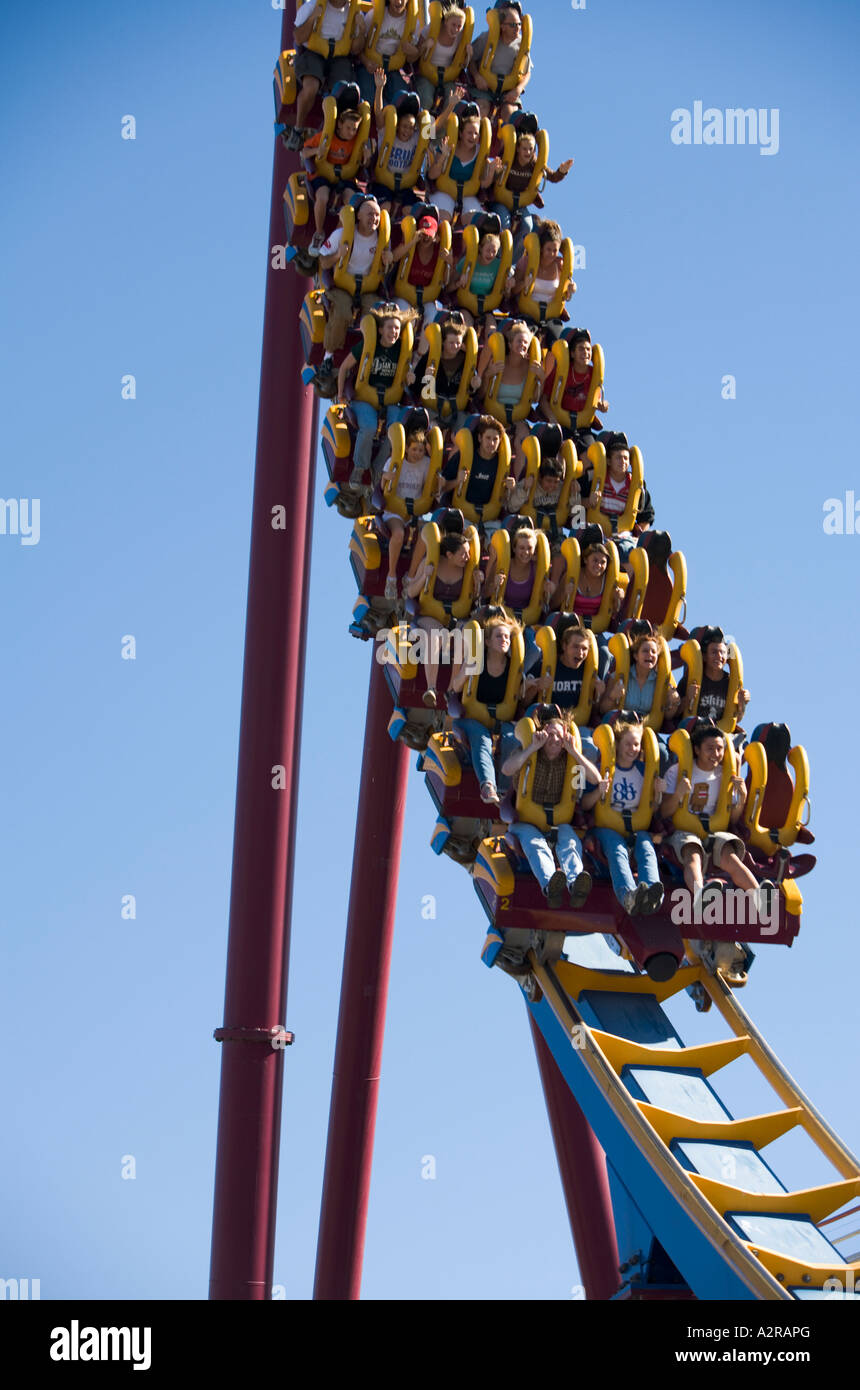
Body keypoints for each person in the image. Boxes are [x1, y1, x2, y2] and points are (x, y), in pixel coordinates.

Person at [660, 723, 776, 983]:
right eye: (710, 748)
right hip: (684, 831)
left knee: (731, 857)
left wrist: (741, 798)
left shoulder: (726, 775)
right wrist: (679, 794)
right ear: (697, 750)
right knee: (693, 855)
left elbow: (732, 818)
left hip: (714, 832)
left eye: (721, 749)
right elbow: (664, 813)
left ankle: (759, 897)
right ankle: (700, 895)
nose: (716, 754)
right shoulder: (678, 772)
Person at [501, 706, 606, 908]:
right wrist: (531, 748)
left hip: (558, 821)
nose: (554, 740)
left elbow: (596, 778)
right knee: (536, 845)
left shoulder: (570, 762)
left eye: (558, 736)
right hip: (527, 821)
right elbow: (507, 769)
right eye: (549, 735)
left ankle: (576, 884)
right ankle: (551, 885)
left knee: (570, 843)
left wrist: (574, 751)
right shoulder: (528, 752)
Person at [312, 196, 393, 393]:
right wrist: (338, 255)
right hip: (342, 287)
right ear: (357, 216)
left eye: (376, 215)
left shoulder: (382, 239)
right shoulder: (342, 234)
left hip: (368, 289)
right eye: (369, 214)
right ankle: (328, 358)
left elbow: (387, 267)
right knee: (342, 312)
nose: (374, 218)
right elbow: (323, 262)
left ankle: (368, 360)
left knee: (376, 318)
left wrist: (389, 259)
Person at [336, 303, 418, 487]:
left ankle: (379, 469)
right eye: (390, 328)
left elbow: (406, 377)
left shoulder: (402, 350)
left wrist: (409, 377)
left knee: (395, 431)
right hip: (365, 399)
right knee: (369, 428)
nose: (394, 332)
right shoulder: (368, 345)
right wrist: (341, 394)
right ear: (380, 330)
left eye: (397, 328)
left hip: (390, 400)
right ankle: (360, 467)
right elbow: (343, 368)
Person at [594, 719, 665, 915]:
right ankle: (628, 896)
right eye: (628, 744)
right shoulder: (605, 767)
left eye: (636, 744)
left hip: (635, 826)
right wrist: (599, 790)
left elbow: (654, 806)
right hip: (607, 827)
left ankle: (652, 893)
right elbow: (584, 805)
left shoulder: (643, 771)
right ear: (617, 744)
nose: (633, 749)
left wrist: (658, 793)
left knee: (646, 847)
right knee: (618, 851)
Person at [450, 613, 521, 805]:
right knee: (482, 740)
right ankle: (488, 785)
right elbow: (455, 687)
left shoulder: (512, 666)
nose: (504, 640)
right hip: (473, 719)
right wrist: (466, 671)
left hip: (500, 720)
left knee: (513, 738)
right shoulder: (477, 657)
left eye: (507, 637)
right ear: (488, 642)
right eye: (499, 636)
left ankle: (505, 790)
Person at [406, 531, 479, 702]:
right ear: (449, 555)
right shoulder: (430, 562)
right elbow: (410, 592)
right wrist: (425, 575)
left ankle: (452, 689)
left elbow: (474, 600)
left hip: (456, 619)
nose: (468, 557)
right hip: (430, 617)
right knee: (435, 636)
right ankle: (431, 688)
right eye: (463, 554)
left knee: (467, 636)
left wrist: (478, 584)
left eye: (468, 552)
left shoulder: (467, 570)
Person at [301, 93, 372, 254]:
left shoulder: (357, 142)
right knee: (323, 196)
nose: (351, 132)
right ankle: (319, 233)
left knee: (351, 202)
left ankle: (337, 236)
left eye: (354, 129)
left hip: (345, 177)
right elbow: (303, 152)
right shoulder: (327, 136)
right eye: (348, 128)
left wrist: (367, 157)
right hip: (323, 176)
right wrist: (315, 151)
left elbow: (364, 165)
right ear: (339, 124)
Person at [290, 0, 366, 148]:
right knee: (311, 87)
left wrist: (362, 31)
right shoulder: (312, 6)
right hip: (313, 52)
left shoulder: (354, 11)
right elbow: (298, 38)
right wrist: (313, 17)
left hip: (339, 57)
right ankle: (298, 130)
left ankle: (336, 138)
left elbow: (356, 49)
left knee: (344, 92)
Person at [491, 121, 573, 255]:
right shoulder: (509, 158)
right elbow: (494, 175)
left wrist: (562, 171)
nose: (528, 152)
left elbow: (551, 176)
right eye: (524, 149)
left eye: (531, 149)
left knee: (527, 225)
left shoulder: (534, 163)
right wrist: (495, 171)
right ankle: (499, 255)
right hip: (502, 201)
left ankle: (512, 260)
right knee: (503, 223)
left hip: (520, 203)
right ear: (518, 148)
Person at [480, 319, 545, 476]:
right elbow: (482, 395)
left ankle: (515, 482)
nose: (523, 345)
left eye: (526, 342)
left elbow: (535, 399)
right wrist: (487, 375)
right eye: (519, 341)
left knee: (523, 438)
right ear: (509, 344)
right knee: (496, 439)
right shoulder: (498, 362)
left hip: (517, 417)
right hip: (494, 415)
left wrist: (541, 379)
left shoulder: (530, 367)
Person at [380, 420, 433, 599]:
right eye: (414, 450)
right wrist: (386, 477)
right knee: (399, 534)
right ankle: (392, 576)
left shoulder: (426, 463)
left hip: (414, 512)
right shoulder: (395, 461)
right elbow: (382, 485)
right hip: (395, 511)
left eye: (420, 450)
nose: (417, 454)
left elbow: (431, 487)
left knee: (426, 534)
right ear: (407, 449)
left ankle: (410, 577)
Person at [581, 432, 654, 561]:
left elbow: (647, 515)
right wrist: (588, 502)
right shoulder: (594, 477)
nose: (623, 462)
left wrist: (640, 533)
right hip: (597, 532)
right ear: (608, 461)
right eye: (619, 458)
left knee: (631, 553)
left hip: (623, 535)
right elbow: (574, 503)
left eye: (626, 458)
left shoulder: (636, 485)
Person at [427, 104, 502, 223]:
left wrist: (492, 171)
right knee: (444, 220)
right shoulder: (447, 146)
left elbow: (483, 184)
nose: (473, 137)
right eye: (469, 133)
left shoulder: (480, 153)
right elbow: (432, 175)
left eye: (476, 133)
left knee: (475, 222)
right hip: (445, 192)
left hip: (468, 195)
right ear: (461, 133)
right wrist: (443, 157)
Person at [408, 311, 481, 431]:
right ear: (443, 342)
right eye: (451, 343)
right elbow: (414, 389)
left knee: (466, 427)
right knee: (427, 424)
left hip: (456, 411)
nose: (455, 346)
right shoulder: (430, 358)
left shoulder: (466, 361)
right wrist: (425, 378)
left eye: (458, 343)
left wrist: (474, 386)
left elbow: (471, 393)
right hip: (432, 410)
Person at [524, 617, 606, 719]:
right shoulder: (544, 666)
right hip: (547, 724)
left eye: (584, 648)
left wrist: (599, 695)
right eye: (575, 646)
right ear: (564, 646)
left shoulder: (589, 671)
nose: (580, 653)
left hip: (577, 723)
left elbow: (595, 711)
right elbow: (524, 704)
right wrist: (536, 688)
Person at [541, 328, 608, 450]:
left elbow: (596, 401)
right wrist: (552, 418)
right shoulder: (561, 372)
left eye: (588, 350)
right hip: (561, 424)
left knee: (594, 454)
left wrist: (603, 406)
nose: (586, 353)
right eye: (581, 349)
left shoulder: (594, 375)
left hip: (582, 427)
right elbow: (544, 399)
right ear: (572, 353)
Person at [600, 630, 680, 724]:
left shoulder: (660, 682)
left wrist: (674, 703)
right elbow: (603, 709)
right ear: (636, 656)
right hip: (621, 726)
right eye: (645, 651)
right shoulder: (619, 676)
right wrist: (612, 697)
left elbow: (667, 716)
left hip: (646, 728)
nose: (650, 654)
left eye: (653, 652)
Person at [469, 2, 531, 123]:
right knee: (481, 108)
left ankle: (509, 140)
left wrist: (518, 89)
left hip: (508, 90)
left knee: (510, 113)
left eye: (519, 24)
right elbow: (471, 60)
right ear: (502, 26)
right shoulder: (486, 38)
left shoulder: (521, 45)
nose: (517, 28)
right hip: (485, 88)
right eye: (512, 25)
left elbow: (527, 73)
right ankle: (477, 139)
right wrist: (477, 76)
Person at [676, 626, 750, 727]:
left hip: (719, 733)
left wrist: (742, 705)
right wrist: (687, 698)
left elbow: (737, 718)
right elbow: (674, 714)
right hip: (695, 732)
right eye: (714, 652)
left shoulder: (730, 683)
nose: (719, 656)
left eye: (722, 653)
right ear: (705, 656)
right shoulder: (689, 680)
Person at [438, 414, 513, 511]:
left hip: (488, 516)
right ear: (480, 438)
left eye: (495, 439)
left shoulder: (502, 462)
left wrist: (511, 488)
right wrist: (457, 481)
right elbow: (442, 488)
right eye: (488, 438)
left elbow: (503, 499)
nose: (491, 443)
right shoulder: (464, 456)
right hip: (462, 514)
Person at [357, 0, 421, 104]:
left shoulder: (414, 23)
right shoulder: (373, 15)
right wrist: (366, 62)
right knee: (367, 96)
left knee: (401, 98)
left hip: (394, 70)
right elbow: (359, 49)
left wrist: (414, 52)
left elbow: (411, 60)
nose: (399, 2)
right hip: (371, 67)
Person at [415, 4, 472, 111]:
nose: (455, 29)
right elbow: (416, 54)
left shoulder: (461, 37)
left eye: (459, 26)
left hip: (447, 77)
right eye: (453, 24)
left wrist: (469, 55)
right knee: (426, 100)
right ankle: (424, 127)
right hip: (427, 74)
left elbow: (462, 65)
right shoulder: (431, 29)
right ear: (446, 22)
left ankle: (444, 127)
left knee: (453, 101)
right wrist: (424, 46)